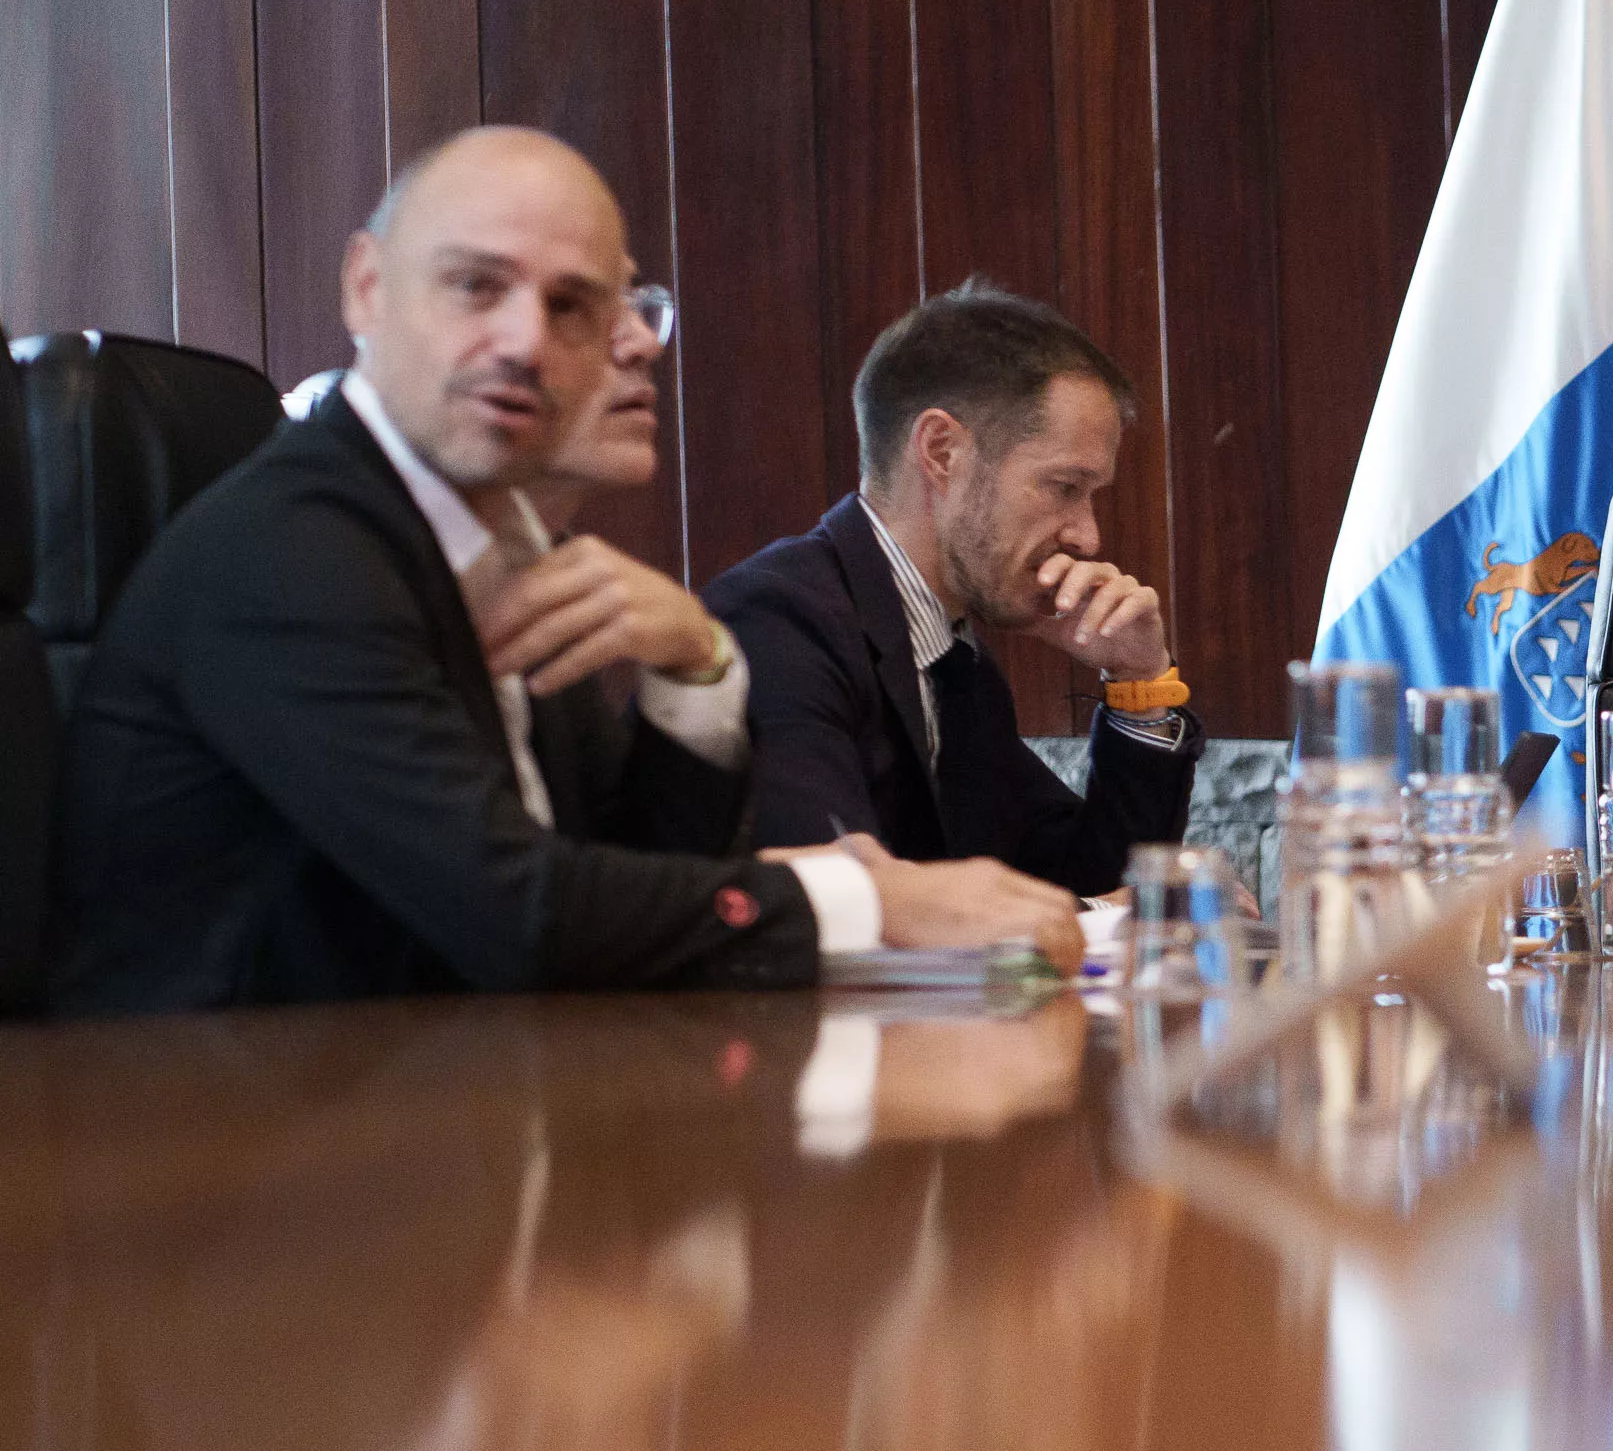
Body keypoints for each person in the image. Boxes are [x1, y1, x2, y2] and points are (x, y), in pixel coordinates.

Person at [52, 126, 1078, 1013]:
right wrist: (871, 900)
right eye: (476, 286)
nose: (523, 342)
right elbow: (523, 913)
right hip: (203, 1175)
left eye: (573, 307)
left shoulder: (503, 547)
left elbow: (633, 887)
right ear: (365, 287)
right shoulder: (290, 550)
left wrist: (698, 675)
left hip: (433, 1125)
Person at [713, 285, 1199, 895]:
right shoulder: (778, 621)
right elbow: (839, 900)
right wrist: (1107, 912)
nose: (1088, 536)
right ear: (942, 452)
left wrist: (1140, 685)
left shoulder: (959, 663)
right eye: (1065, 487)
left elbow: (1086, 874)